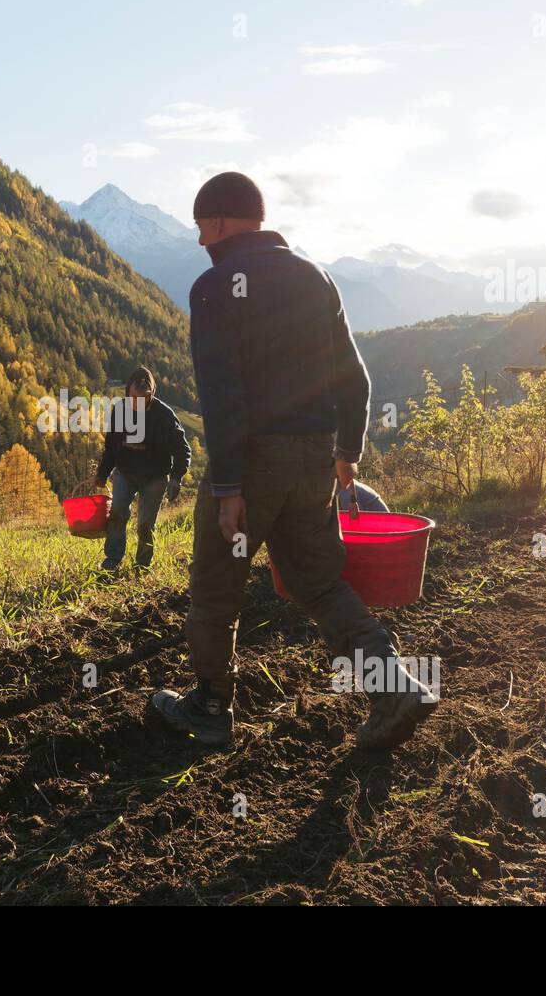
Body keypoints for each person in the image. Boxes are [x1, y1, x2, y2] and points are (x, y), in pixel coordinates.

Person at [152, 172, 437, 750]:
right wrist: (347, 452)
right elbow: (354, 377)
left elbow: (224, 396)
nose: (200, 238)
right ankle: (395, 686)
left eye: (202, 225)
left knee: (215, 583)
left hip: (253, 461)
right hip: (312, 460)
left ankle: (210, 708)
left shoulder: (212, 288)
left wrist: (229, 485)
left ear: (223, 222)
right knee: (319, 583)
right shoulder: (315, 276)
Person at [94, 366, 190, 571]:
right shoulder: (120, 409)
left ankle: (142, 564)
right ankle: (113, 559)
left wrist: (176, 478)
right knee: (118, 512)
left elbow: (182, 449)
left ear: (151, 395)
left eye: (142, 398)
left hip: (154, 477)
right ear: (127, 393)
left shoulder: (164, 415)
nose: (136, 403)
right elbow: (111, 446)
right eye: (133, 397)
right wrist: (102, 473)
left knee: (145, 525)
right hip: (125, 473)